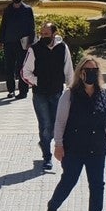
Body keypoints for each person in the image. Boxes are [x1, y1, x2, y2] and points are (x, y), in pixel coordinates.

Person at [45, 57, 106, 211]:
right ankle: (53, 205)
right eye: (87, 70)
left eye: (94, 70)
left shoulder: (103, 94)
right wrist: (58, 144)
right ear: (80, 73)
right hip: (74, 148)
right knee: (69, 181)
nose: (91, 73)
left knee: (97, 185)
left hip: (97, 148)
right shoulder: (69, 95)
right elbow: (60, 122)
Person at [20, 21, 75, 171]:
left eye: (46, 34)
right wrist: (38, 81)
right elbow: (25, 72)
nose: (43, 36)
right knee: (45, 126)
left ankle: (45, 142)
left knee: (58, 125)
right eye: (41, 33)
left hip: (57, 93)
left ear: (54, 34)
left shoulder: (63, 48)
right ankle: (47, 156)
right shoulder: (34, 49)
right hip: (40, 95)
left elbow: (69, 70)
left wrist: (72, 90)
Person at [0, 0, 35, 100]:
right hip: (9, 42)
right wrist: (0, 41)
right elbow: (3, 26)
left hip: (23, 44)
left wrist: (31, 42)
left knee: (22, 68)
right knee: (9, 68)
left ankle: (23, 91)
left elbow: (32, 27)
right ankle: (11, 90)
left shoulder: (27, 9)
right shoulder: (8, 9)